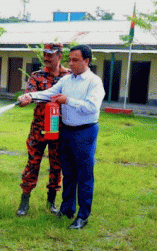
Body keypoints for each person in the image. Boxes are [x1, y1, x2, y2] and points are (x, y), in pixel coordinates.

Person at [17, 44, 105, 229]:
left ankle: (82, 215)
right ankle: (66, 209)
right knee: (69, 173)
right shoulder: (67, 81)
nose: (71, 64)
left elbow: (92, 107)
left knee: (84, 175)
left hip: (85, 132)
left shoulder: (94, 82)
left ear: (86, 61)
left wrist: (68, 101)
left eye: (75, 60)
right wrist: (30, 96)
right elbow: (49, 93)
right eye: (70, 60)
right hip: (66, 132)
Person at [16, 43, 71, 217]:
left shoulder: (69, 76)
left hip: (59, 129)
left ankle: (51, 202)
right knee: (32, 164)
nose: (46, 58)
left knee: (56, 166)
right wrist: (26, 98)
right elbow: (30, 93)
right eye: (45, 54)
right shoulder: (37, 76)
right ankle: (24, 201)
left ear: (60, 56)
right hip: (39, 128)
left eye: (51, 55)